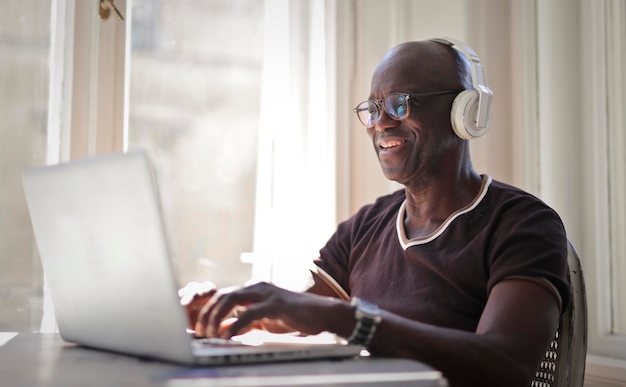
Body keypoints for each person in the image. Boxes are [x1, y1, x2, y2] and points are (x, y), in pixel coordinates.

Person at [183, 38, 569, 387]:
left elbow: (507, 365)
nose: (381, 123)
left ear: (463, 112)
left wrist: (355, 321)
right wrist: (225, 308)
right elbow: (302, 311)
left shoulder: (523, 225)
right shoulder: (369, 223)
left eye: (400, 104)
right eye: (373, 108)